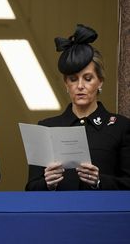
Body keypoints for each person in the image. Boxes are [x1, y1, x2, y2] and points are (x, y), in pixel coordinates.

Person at [26, 24, 130, 191]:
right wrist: (48, 183)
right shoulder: (46, 127)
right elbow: (31, 188)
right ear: (66, 84)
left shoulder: (121, 126)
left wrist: (99, 182)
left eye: (88, 78)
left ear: (100, 82)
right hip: (57, 215)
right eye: (73, 79)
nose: (80, 86)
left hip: (102, 215)